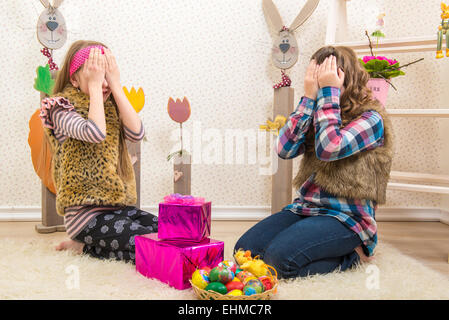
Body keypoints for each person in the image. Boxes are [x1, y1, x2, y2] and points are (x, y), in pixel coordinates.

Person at [234, 46, 394, 279]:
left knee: (278, 262)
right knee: (245, 252)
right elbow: (284, 150)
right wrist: (309, 98)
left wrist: (330, 91)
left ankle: (355, 256)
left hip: (347, 219)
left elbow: (330, 147)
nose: (318, 84)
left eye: (326, 78)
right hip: (306, 209)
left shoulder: (371, 118)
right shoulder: (318, 111)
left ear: (344, 78)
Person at [39, 40, 158, 263]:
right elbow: (94, 132)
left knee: (171, 234)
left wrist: (116, 85)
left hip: (118, 209)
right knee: (148, 246)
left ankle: (84, 247)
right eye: (95, 75)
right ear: (74, 79)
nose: (102, 83)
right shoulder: (59, 108)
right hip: (86, 218)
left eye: (106, 75)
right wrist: (95, 87)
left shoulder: (111, 107)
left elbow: (137, 134)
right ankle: (82, 245)